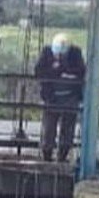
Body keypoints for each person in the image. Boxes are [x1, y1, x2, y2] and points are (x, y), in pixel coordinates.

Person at [34, 33, 86, 162]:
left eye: (62, 54)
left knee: (68, 128)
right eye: (57, 54)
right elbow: (39, 72)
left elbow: (81, 71)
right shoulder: (47, 53)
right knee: (49, 128)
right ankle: (47, 154)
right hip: (51, 97)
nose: (59, 57)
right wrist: (56, 71)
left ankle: (62, 155)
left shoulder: (75, 53)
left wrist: (65, 70)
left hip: (70, 97)